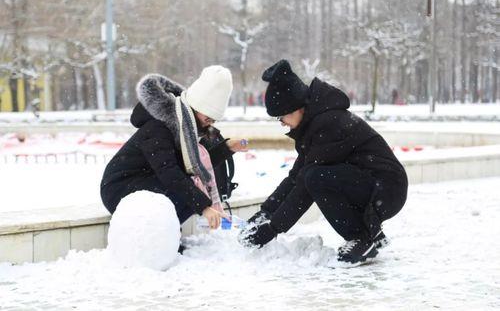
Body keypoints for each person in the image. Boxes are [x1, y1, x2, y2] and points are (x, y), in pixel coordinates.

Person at [239, 60, 408, 265]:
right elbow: (295, 176)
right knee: (314, 176)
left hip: (387, 189)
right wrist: (264, 213)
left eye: (280, 117)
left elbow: (305, 185)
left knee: (317, 178)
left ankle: (362, 239)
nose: (281, 123)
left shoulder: (328, 124)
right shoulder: (315, 124)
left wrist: (272, 228)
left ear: (295, 109)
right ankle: (370, 233)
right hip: (375, 185)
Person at [100, 66, 248, 237]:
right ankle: (158, 236)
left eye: (213, 120)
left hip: (145, 182)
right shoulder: (159, 127)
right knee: (188, 193)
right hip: (120, 188)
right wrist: (204, 207)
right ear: (195, 108)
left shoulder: (185, 129)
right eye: (207, 118)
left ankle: (163, 235)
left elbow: (194, 166)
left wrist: (228, 148)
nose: (209, 124)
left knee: (192, 193)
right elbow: (169, 173)